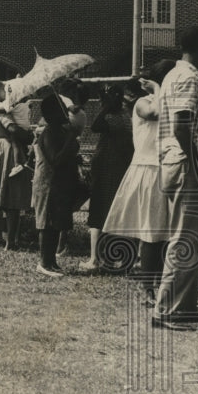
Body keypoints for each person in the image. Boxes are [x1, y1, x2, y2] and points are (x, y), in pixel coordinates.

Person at [152, 26, 198, 329]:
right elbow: (181, 125)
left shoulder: (173, 76)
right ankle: (168, 310)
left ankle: (185, 305)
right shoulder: (188, 77)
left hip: (174, 162)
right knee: (184, 238)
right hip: (186, 163)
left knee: (192, 238)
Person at [102, 61, 177, 304]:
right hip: (148, 169)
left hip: (167, 167)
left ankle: (162, 285)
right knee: (151, 232)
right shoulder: (143, 102)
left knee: (166, 233)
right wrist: (157, 89)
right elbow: (154, 113)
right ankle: (148, 289)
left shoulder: (168, 101)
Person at [80, 84, 135, 270]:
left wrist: (105, 107)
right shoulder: (127, 116)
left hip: (106, 168)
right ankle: (116, 256)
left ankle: (95, 258)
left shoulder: (111, 117)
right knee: (115, 212)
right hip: (120, 168)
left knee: (98, 213)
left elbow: (95, 126)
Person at [0, 75, 33, 250]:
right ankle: (10, 242)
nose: (5, 92)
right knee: (12, 199)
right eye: (3, 89)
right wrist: (30, 135)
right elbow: (12, 129)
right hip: (6, 148)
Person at [31, 93, 81, 276]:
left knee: (55, 224)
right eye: (61, 107)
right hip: (48, 184)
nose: (66, 111)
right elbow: (55, 159)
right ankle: (44, 262)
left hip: (59, 183)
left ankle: (52, 261)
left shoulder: (61, 130)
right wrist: (70, 140)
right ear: (52, 113)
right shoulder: (50, 132)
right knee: (46, 223)